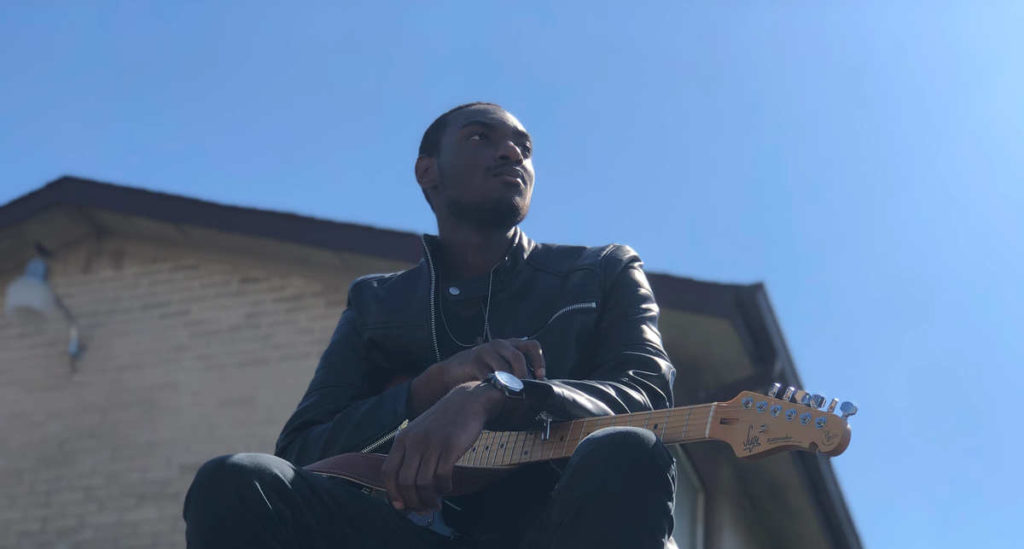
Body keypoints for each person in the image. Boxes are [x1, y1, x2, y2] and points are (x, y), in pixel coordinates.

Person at [183, 102, 678, 549]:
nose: (512, 153)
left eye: (524, 148)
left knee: (630, 447)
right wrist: (432, 388)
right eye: (481, 137)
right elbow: (302, 451)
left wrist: (498, 395)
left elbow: (649, 397)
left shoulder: (602, 271)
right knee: (238, 480)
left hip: (557, 526)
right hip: (401, 530)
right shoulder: (376, 302)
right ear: (427, 172)